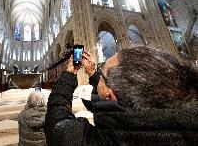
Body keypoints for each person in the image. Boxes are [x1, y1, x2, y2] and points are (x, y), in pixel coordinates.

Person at [45, 46, 198, 146]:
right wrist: (93, 73)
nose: (100, 76)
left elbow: (58, 127)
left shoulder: (107, 140)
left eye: (102, 74)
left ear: (110, 94)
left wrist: (69, 74)